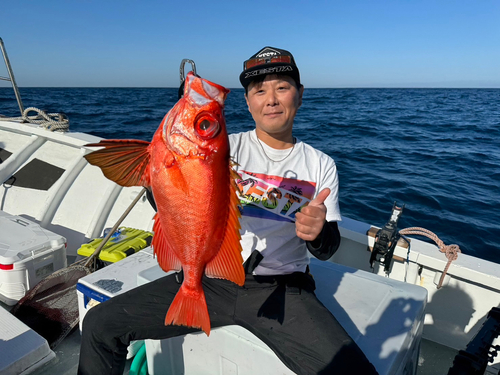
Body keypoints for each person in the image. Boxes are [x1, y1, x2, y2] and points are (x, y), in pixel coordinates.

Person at [78, 46, 378, 375]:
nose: (271, 98)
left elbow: (329, 248)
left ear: (300, 95)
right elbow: (173, 200)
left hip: (281, 289)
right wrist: (158, 180)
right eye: (259, 90)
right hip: (209, 280)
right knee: (99, 324)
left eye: (282, 87)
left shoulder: (320, 165)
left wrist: (318, 231)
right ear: (248, 102)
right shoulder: (223, 146)